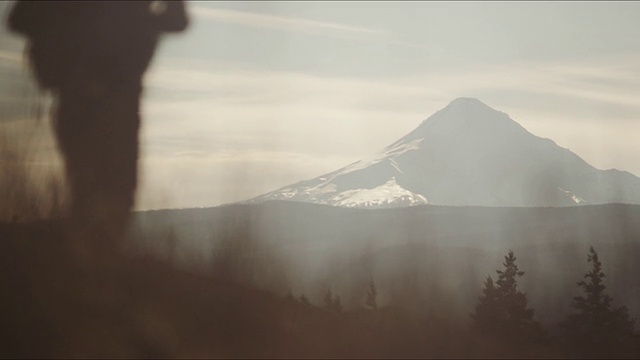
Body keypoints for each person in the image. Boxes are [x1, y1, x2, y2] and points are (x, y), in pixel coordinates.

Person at [7, 1, 189, 262]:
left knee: (94, 185)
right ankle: (93, 268)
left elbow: (20, 19)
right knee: (108, 186)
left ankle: (91, 267)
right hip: (104, 103)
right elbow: (176, 22)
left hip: (88, 101)